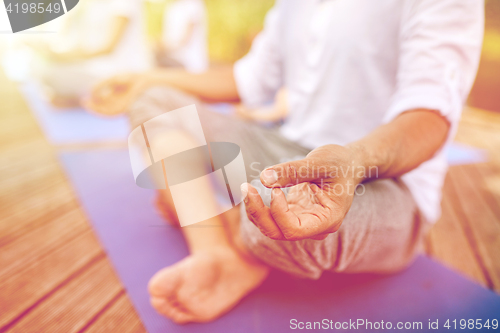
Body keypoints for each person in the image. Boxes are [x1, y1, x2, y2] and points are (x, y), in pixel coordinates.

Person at [87, 0, 484, 324]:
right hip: (285, 151)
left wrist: (354, 161)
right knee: (154, 101)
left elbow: (429, 117)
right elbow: (248, 81)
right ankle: (214, 250)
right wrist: (147, 78)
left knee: (288, 218)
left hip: (385, 181)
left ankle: (234, 232)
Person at [33, 0, 152, 107]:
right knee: (41, 70)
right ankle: (94, 96)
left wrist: (65, 57)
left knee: (48, 74)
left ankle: (110, 95)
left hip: (121, 72)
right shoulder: (95, 5)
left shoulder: (124, 3)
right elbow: (86, 44)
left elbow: (108, 49)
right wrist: (59, 54)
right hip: (96, 69)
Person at [154, 0, 208, 72]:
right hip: (173, 59)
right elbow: (168, 37)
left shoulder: (193, 5)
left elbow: (185, 39)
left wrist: (165, 47)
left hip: (190, 64)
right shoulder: (172, 7)